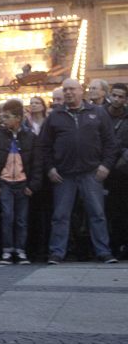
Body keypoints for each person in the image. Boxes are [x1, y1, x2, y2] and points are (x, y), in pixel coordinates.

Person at [41, 78, 119, 264]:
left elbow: (111, 143)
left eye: (72, 89)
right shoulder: (55, 116)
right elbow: (44, 146)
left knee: (97, 214)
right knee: (60, 216)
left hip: (92, 172)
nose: (68, 93)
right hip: (63, 175)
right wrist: (50, 168)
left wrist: (106, 165)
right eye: (65, 90)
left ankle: (103, 252)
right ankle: (57, 253)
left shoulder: (98, 113)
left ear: (81, 91)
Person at [0, 99, 42, 265]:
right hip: (5, 183)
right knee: (7, 216)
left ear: (18, 118)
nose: (2, 119)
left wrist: (33, 185)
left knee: (21, 219)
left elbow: (37, 163)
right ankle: (7, 250)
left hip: (23, 183)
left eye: (7, 116)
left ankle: (21, 250)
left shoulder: (30, 137)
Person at [105, 83, 128, 258]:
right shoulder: (100, 114)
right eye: (114, 95)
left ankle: (122, 245)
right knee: (106, 211)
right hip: (102, 169)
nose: (117, 99)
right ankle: (110, 246)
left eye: (121, 96)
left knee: (123, 210)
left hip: (123, 171)